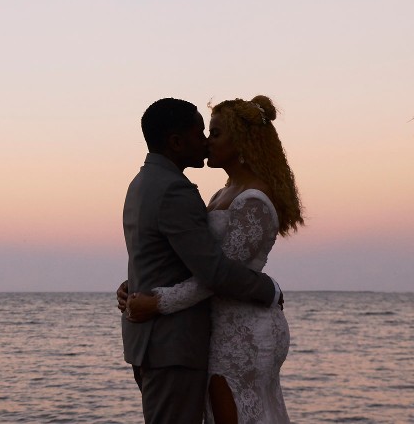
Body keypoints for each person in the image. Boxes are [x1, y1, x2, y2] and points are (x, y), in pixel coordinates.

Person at [125, 96, 303, 423]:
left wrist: (156, 301)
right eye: (205, 132)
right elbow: (193, 260)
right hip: (217, 327)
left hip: (243, 326)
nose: (207, 141)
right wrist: (134, 286)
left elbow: (215, 273)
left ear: (242, 142)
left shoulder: (253, 199)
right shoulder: (218, 194)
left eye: (215, 133)